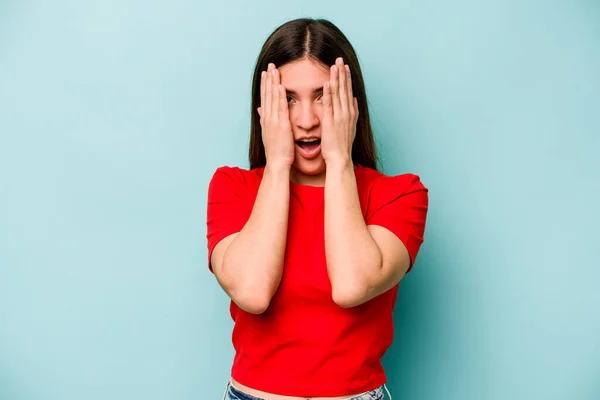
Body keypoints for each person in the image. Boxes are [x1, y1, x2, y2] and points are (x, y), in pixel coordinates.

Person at [206, 18, 429, 400]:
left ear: (350, 104)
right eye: (288, 99)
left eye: (323, 96)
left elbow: (352, 285)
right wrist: (277, 166)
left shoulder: (400, 195)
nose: (307, 120)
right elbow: (253, 291)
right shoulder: (233, 189)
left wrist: (340, 157)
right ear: (264, 109)